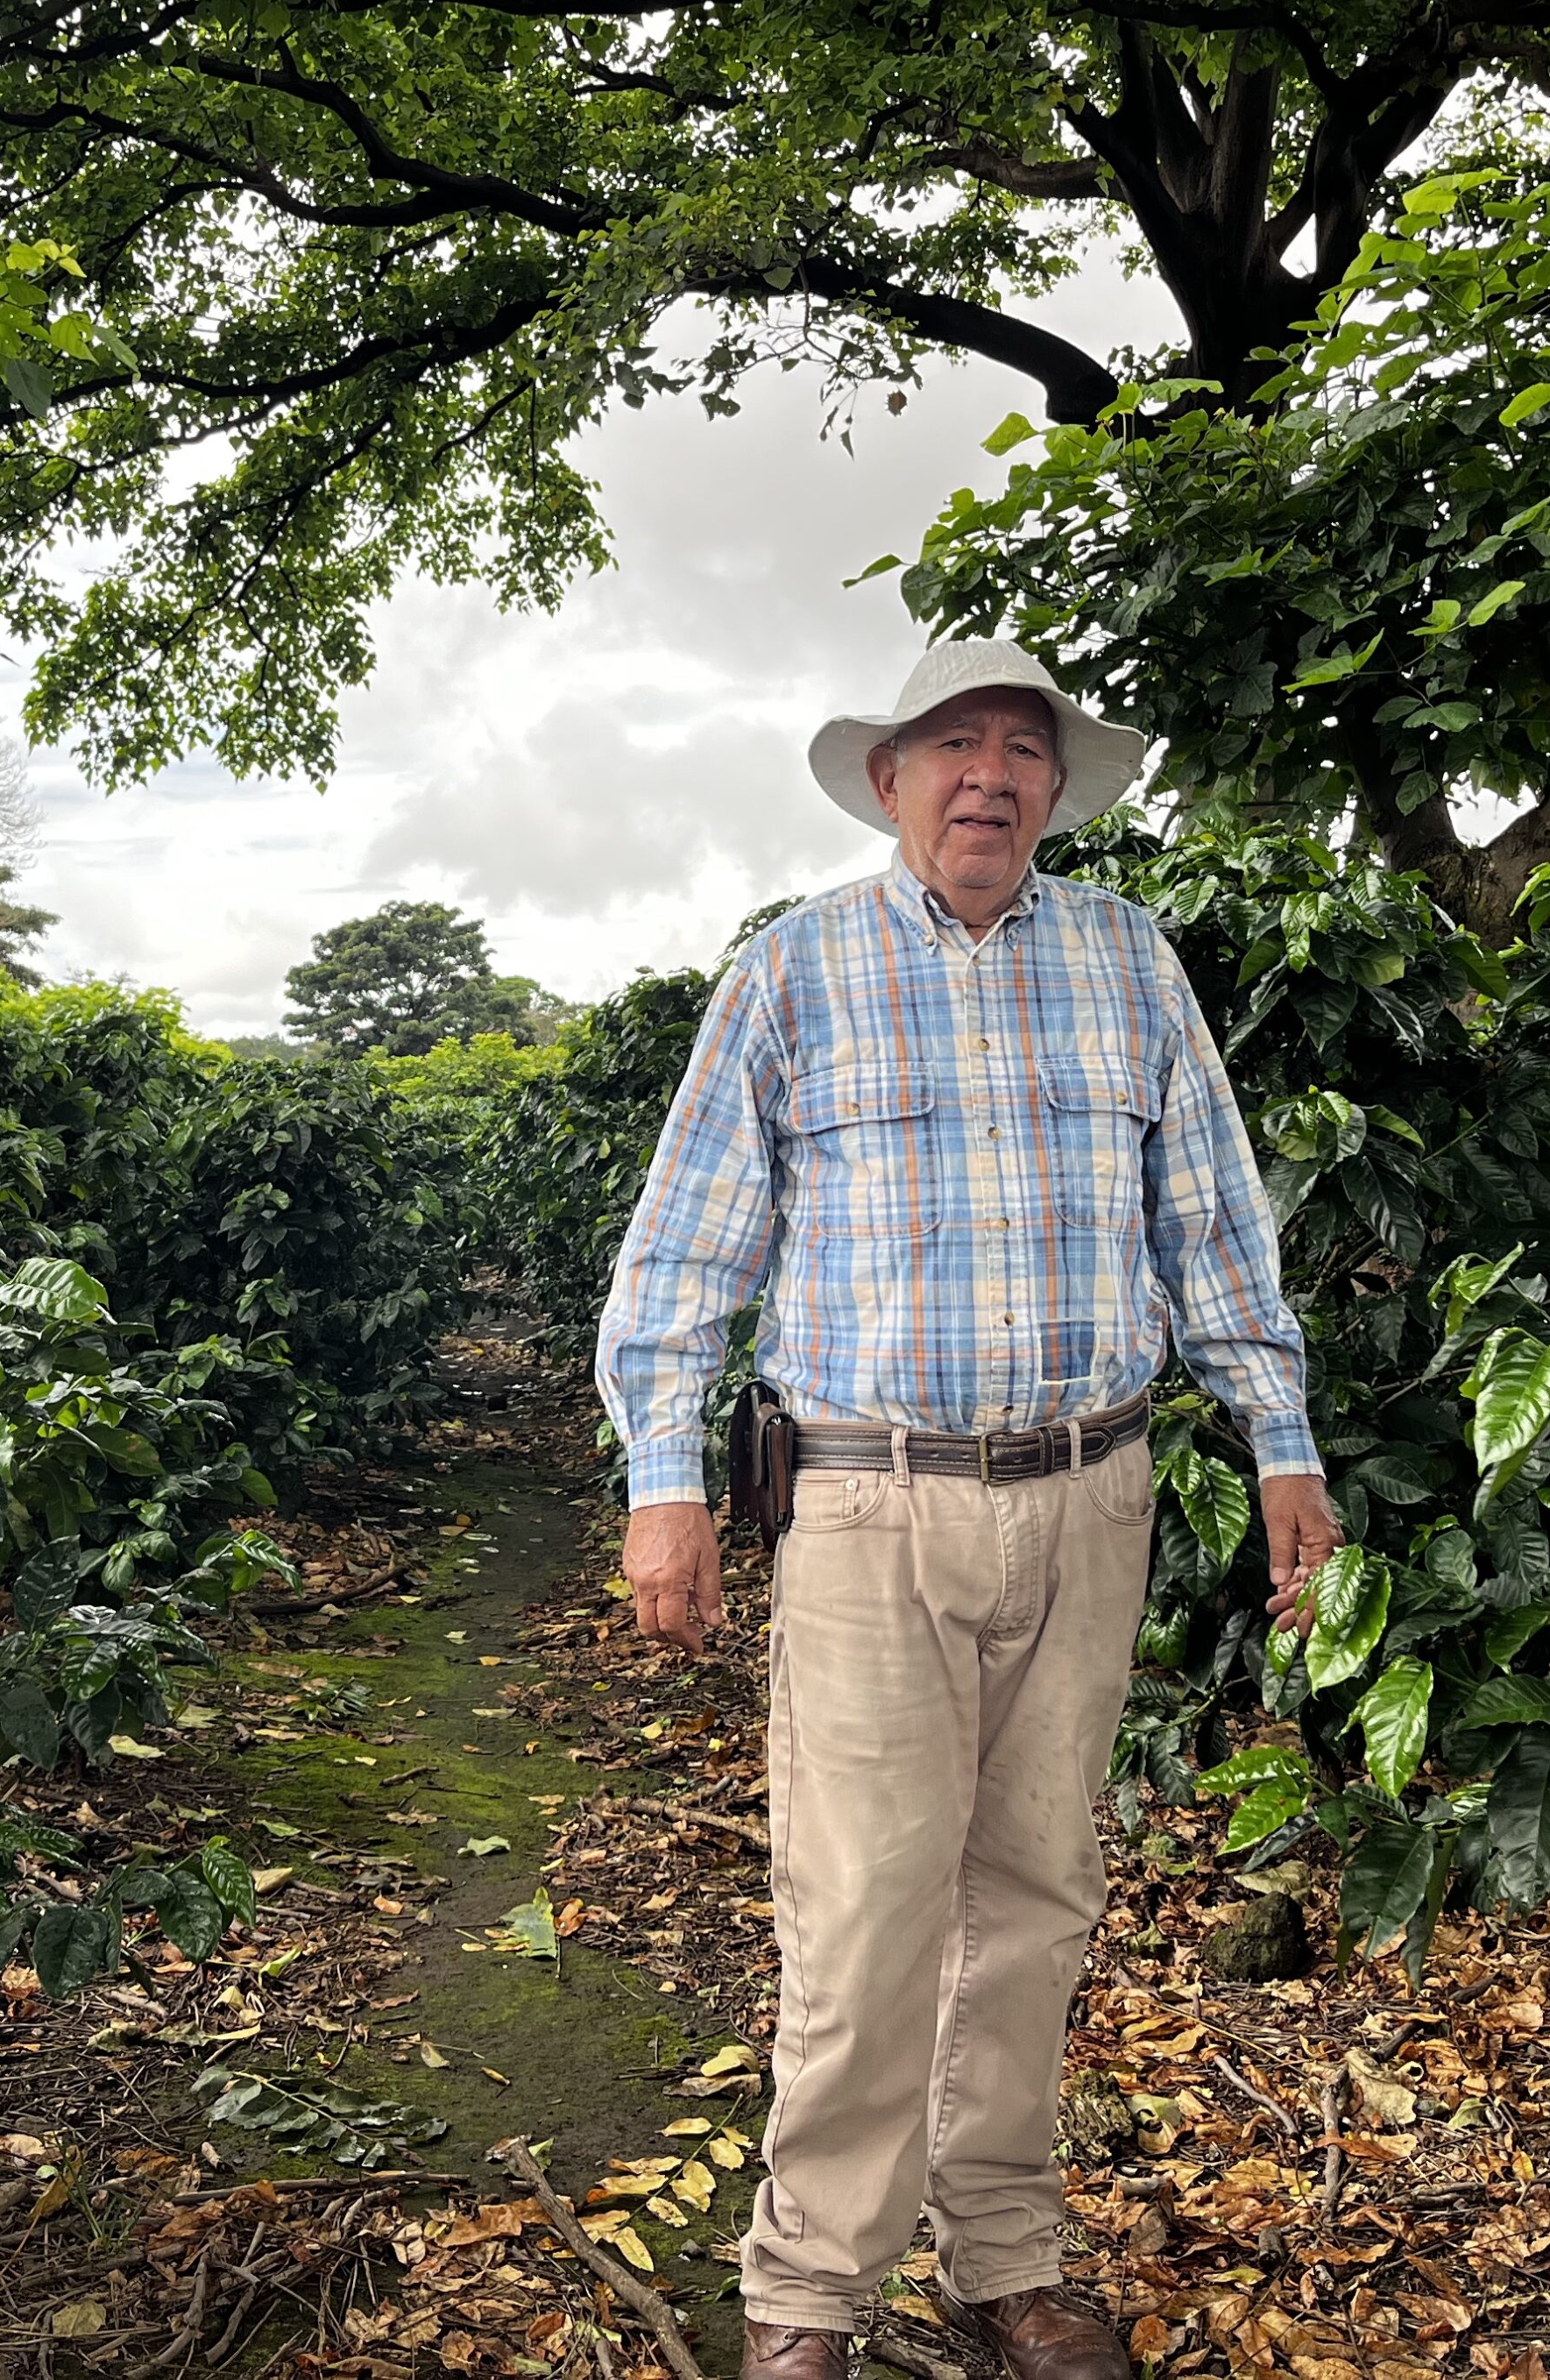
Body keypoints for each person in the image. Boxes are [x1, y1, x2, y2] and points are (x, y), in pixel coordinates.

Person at [594, 641, 1336, 2380]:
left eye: (1021, 750)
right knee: (860, 1909)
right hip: (866, 1506)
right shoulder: (791, 975)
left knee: (1032, 1891)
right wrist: (664, 1483)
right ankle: (810, 2290)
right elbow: (683, 1257)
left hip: (1089, 1493)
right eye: (951, 747)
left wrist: (1277, 1434)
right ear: (888, 781)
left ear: (1055, 790)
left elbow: (1211, 1220)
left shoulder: (1128, 962)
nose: (986, 776)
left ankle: (1000, 2243)